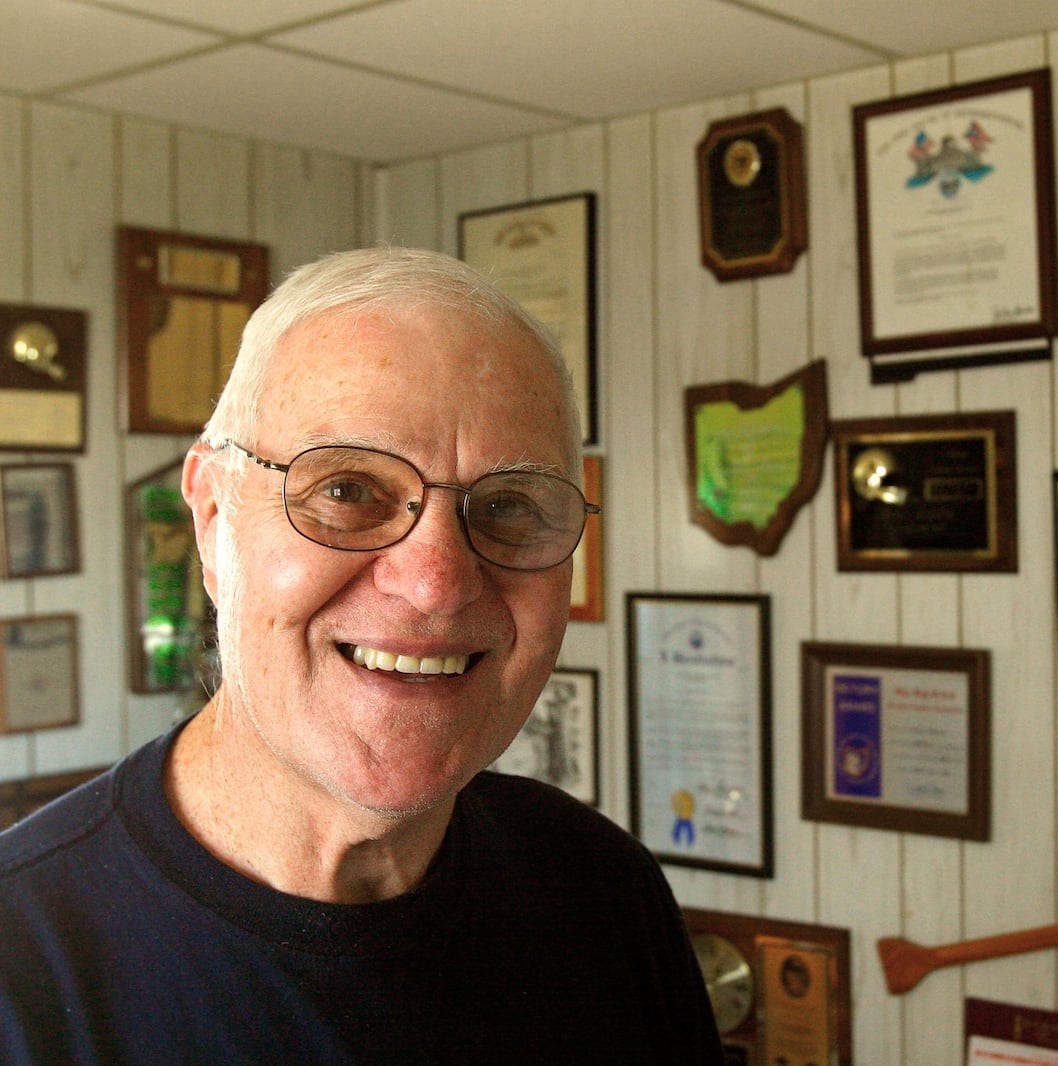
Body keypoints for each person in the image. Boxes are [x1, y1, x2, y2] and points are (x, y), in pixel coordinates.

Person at [0, 247, 723, 1064]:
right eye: (346, 489)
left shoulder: (598, 889)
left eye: (510, 504)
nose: (437, 584)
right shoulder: (23, 968)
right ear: (211, 517)